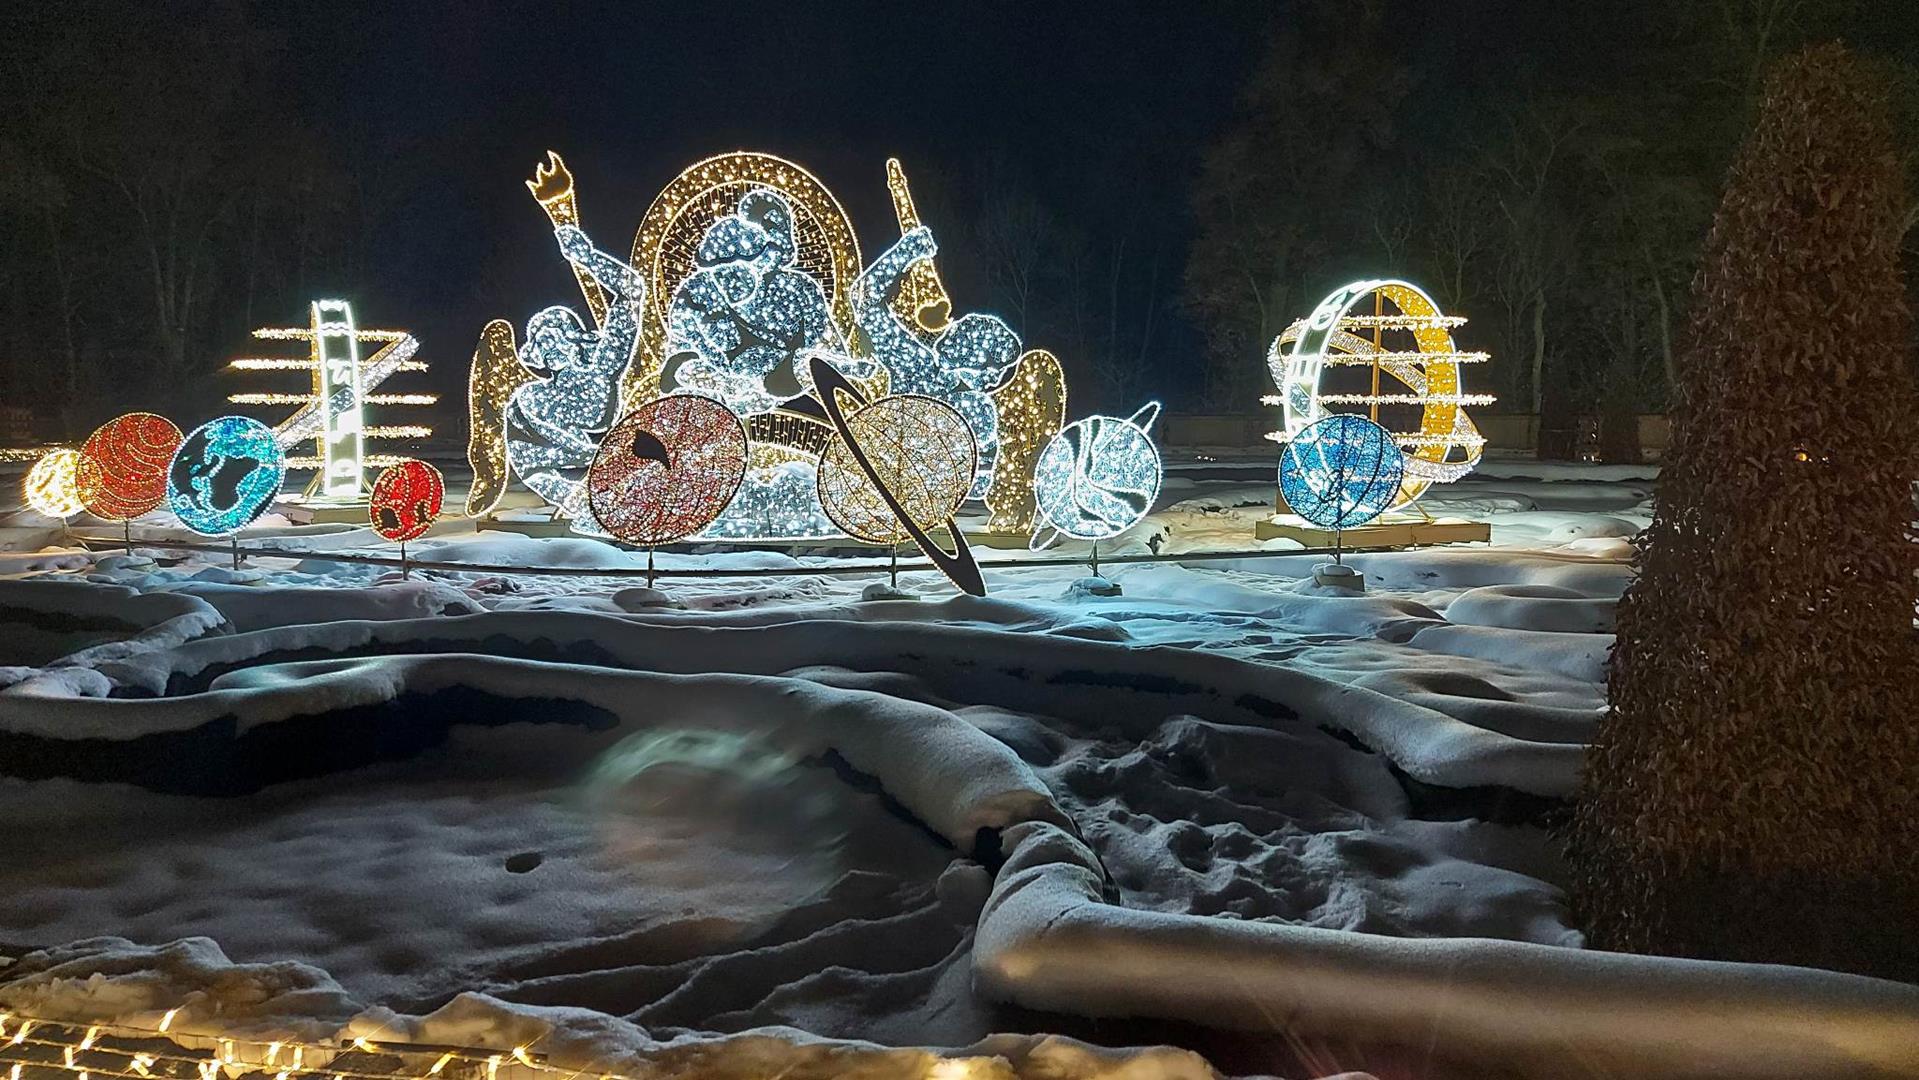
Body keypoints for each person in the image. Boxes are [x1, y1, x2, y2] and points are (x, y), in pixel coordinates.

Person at [504, 225, 644, 530]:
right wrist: (575, 493)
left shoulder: (603, 368)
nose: (550, 348)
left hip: (620, 471)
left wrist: (587, 257)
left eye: (556, 338)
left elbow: (631, 290)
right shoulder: (532, 399)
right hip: (576, 484)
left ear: (576, 342)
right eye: (542, 343)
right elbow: (531, 467)